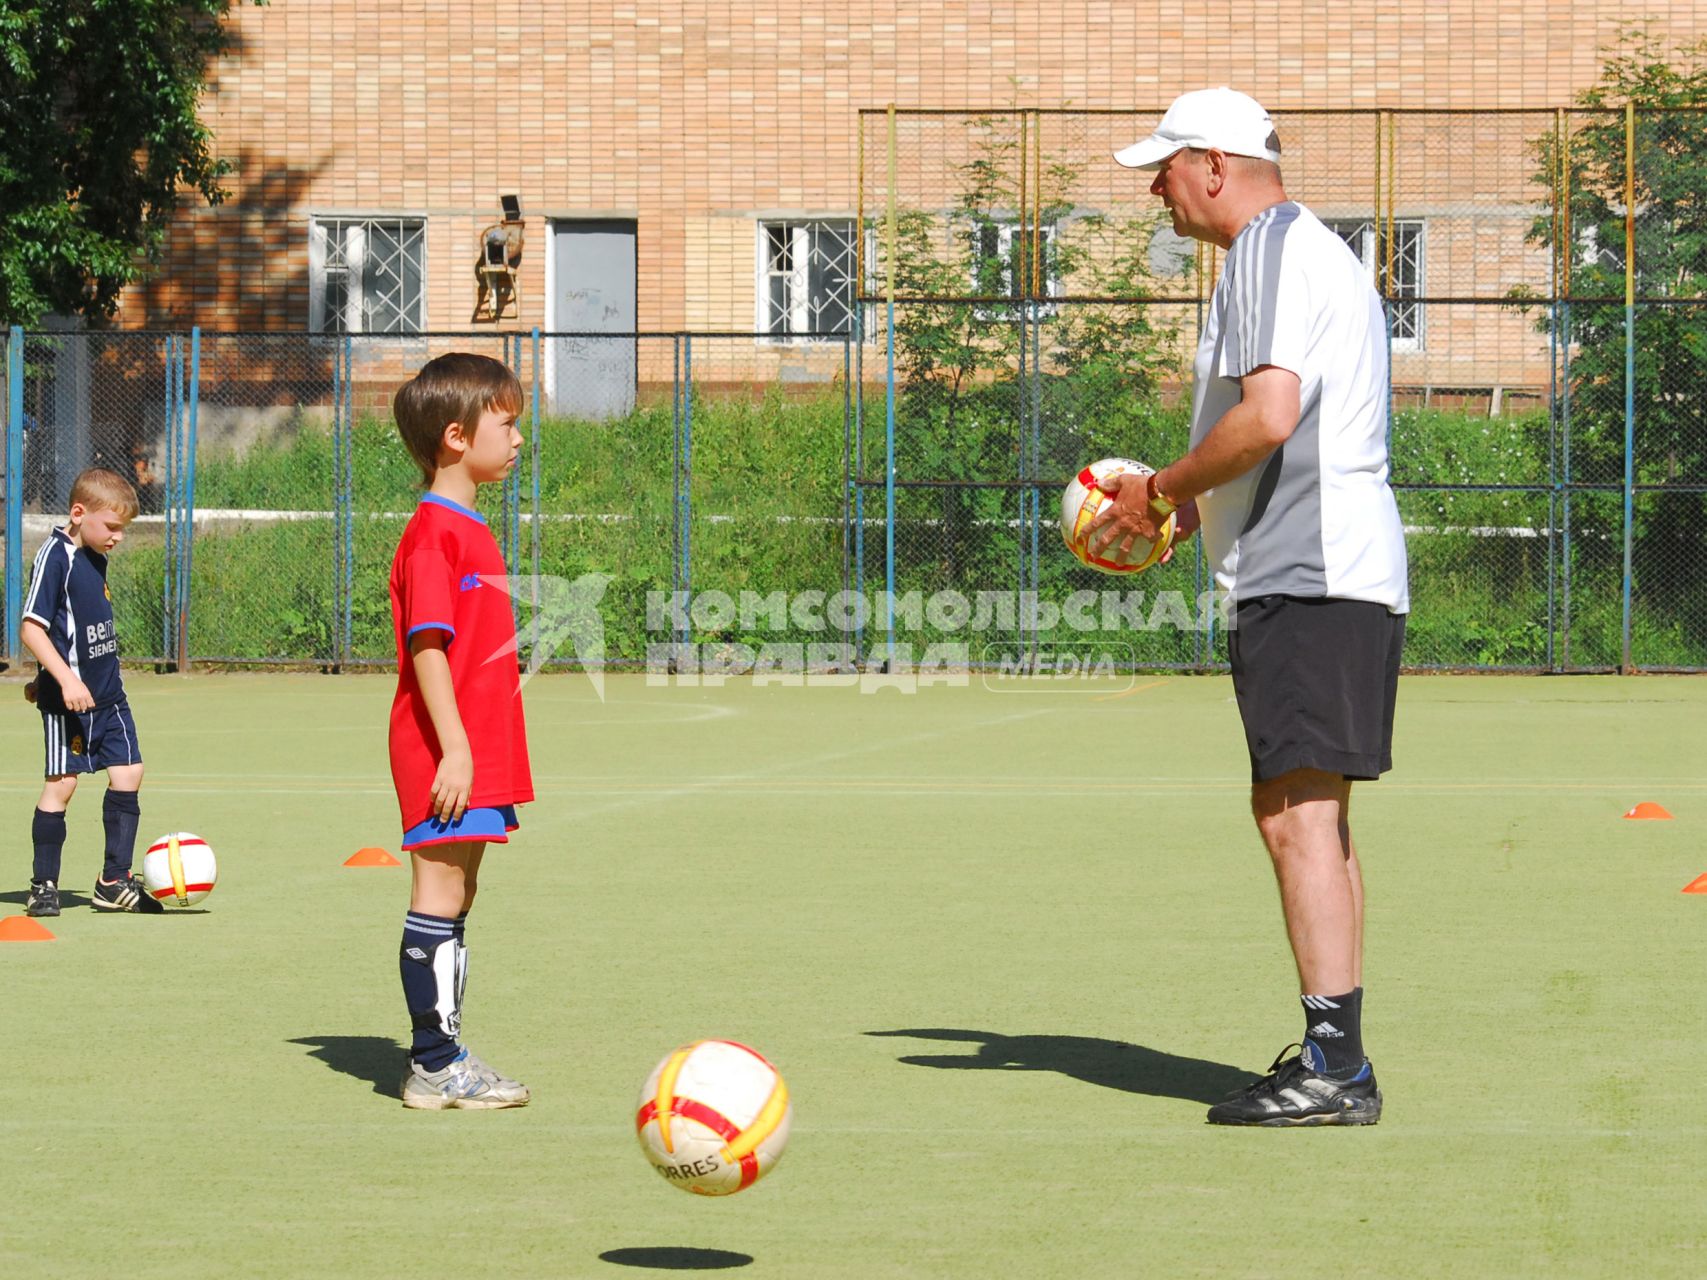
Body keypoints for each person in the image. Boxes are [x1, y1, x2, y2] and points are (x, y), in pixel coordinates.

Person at [1095, 88, 1408, 1126]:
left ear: (1216, 164)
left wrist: (1164, 489)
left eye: (1166, 166)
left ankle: (1336, 1069)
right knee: (1311, 812)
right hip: (1330, 569)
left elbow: (1268, 414)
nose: (1156, 187)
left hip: (1306, 574)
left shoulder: (1269, 247)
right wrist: (1198, 505)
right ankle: (1339, 1055)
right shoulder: (1307, 251)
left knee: (1294, 816)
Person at [388, 352, 534, 1110]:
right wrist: (454, 747)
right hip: (446, 749)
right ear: (455, 435)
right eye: (506, 424)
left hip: (473, 746)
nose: (516, 438)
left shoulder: (467, 526)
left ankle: (442, 1052)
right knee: (438, 887)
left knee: (460, 887)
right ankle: (435, 1064)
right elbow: (427, 647)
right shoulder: (434, 534)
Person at [21, 467, 159, 915]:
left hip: (109, 695)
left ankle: (113, 881)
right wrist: (61, 679)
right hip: (70, 702)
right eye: (112, 527)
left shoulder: (96, 553)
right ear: (79, 513)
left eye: (123, 530)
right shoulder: (53, 556)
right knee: (62, 785)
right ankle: (44, 885)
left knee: (129, 773)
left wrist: (51, 673)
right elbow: (32, 628)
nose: (117, 537)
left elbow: (75, 627)